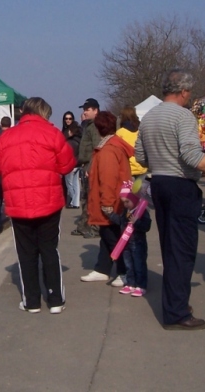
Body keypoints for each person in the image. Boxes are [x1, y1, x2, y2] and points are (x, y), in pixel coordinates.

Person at [135, 70, 205, 330]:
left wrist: (161, 155)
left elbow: (140, 156)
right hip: (179, 185)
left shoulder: (150, 116)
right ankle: (176, 313)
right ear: (184, 91)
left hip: (159, 184)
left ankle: (176, 303)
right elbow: (191, 156)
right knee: (182, 251)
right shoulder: (184, 116)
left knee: (169, 247)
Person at [0, 97, 76, 314]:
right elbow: (67, 165)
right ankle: (55, 299)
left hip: (18, 202)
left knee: (26, 252)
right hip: (48, 199)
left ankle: (31, 301)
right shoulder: (52, 133)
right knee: (49, 249)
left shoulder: (6, 137)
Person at [81, 110, 134, 287]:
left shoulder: (107, 150)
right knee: (107, 235)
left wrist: (107, 204)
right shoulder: (114, 145)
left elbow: (108, 179)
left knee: (113, 237)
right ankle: (102, 268)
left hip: (111, 201)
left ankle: (125, 271)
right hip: (118, 199)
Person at [110, 184, 151, 297]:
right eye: (123, 202)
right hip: (126, 243)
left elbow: (147, 226)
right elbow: (121, 222)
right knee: (129, 265)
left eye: (127, 201)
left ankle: (141, 285)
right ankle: (130, 283)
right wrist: (111, 215)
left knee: (139, 265)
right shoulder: (125, 211)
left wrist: (137, 222)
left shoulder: (142, 212)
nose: (125, 204)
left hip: (138, 243)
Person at [72, 98, 101, 238]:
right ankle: (84, 225)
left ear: (96, 110)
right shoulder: (88, 125)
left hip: (91, 165)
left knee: (92, 198)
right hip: (86, 164)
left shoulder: (95, 126)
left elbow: (97, 148)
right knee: (85, 197)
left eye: (88, 109)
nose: (85, 112)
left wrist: (92, 168)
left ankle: (94, 226)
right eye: (84, 110)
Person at [116, 106, 147, 186]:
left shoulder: (120, 133)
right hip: (142, 167)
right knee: (142, 196)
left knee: (130, 196)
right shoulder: (142, 130)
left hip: (129, 170)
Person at [64, 122, 82, 208]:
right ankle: (76, 203)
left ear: (71, 131)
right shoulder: (80, 140)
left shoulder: (69, 142)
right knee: (76, 184)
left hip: (71, 165)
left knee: (69, 184)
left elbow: (66, 154)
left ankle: (72, 201)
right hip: (78, 164)